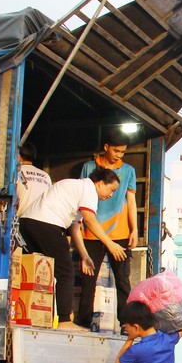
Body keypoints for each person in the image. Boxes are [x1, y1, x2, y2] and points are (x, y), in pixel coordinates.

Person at [18, 167, 127, 330]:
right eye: (111, 189)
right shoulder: (88, 189)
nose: (111, 195)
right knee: (65, 272)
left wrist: (84, 255)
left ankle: (27, 315)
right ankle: (64, 321)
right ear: (100, 183)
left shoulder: (76, 188)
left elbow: (75, 227)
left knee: (34, 271)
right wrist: (110, 244)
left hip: (28, 224)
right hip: (47, 224)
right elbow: (90, 220)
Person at [74, 131, 138, 328]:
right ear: (106, 147)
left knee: (123, 281)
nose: (119, 155)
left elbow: (131, 200)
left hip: (119, 233)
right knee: (88, 280)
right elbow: (80, 194)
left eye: (123, 152)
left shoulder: (128, 170)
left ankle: (125, 324)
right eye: (117, 150)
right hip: (91, 231)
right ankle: (84, 322)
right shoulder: (89, 167)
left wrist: (134, 229)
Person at [16, 142, 52, 219]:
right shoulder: (46, 176)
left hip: (21, 219)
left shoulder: (17, 172)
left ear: (18, 156)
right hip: (42, 219)